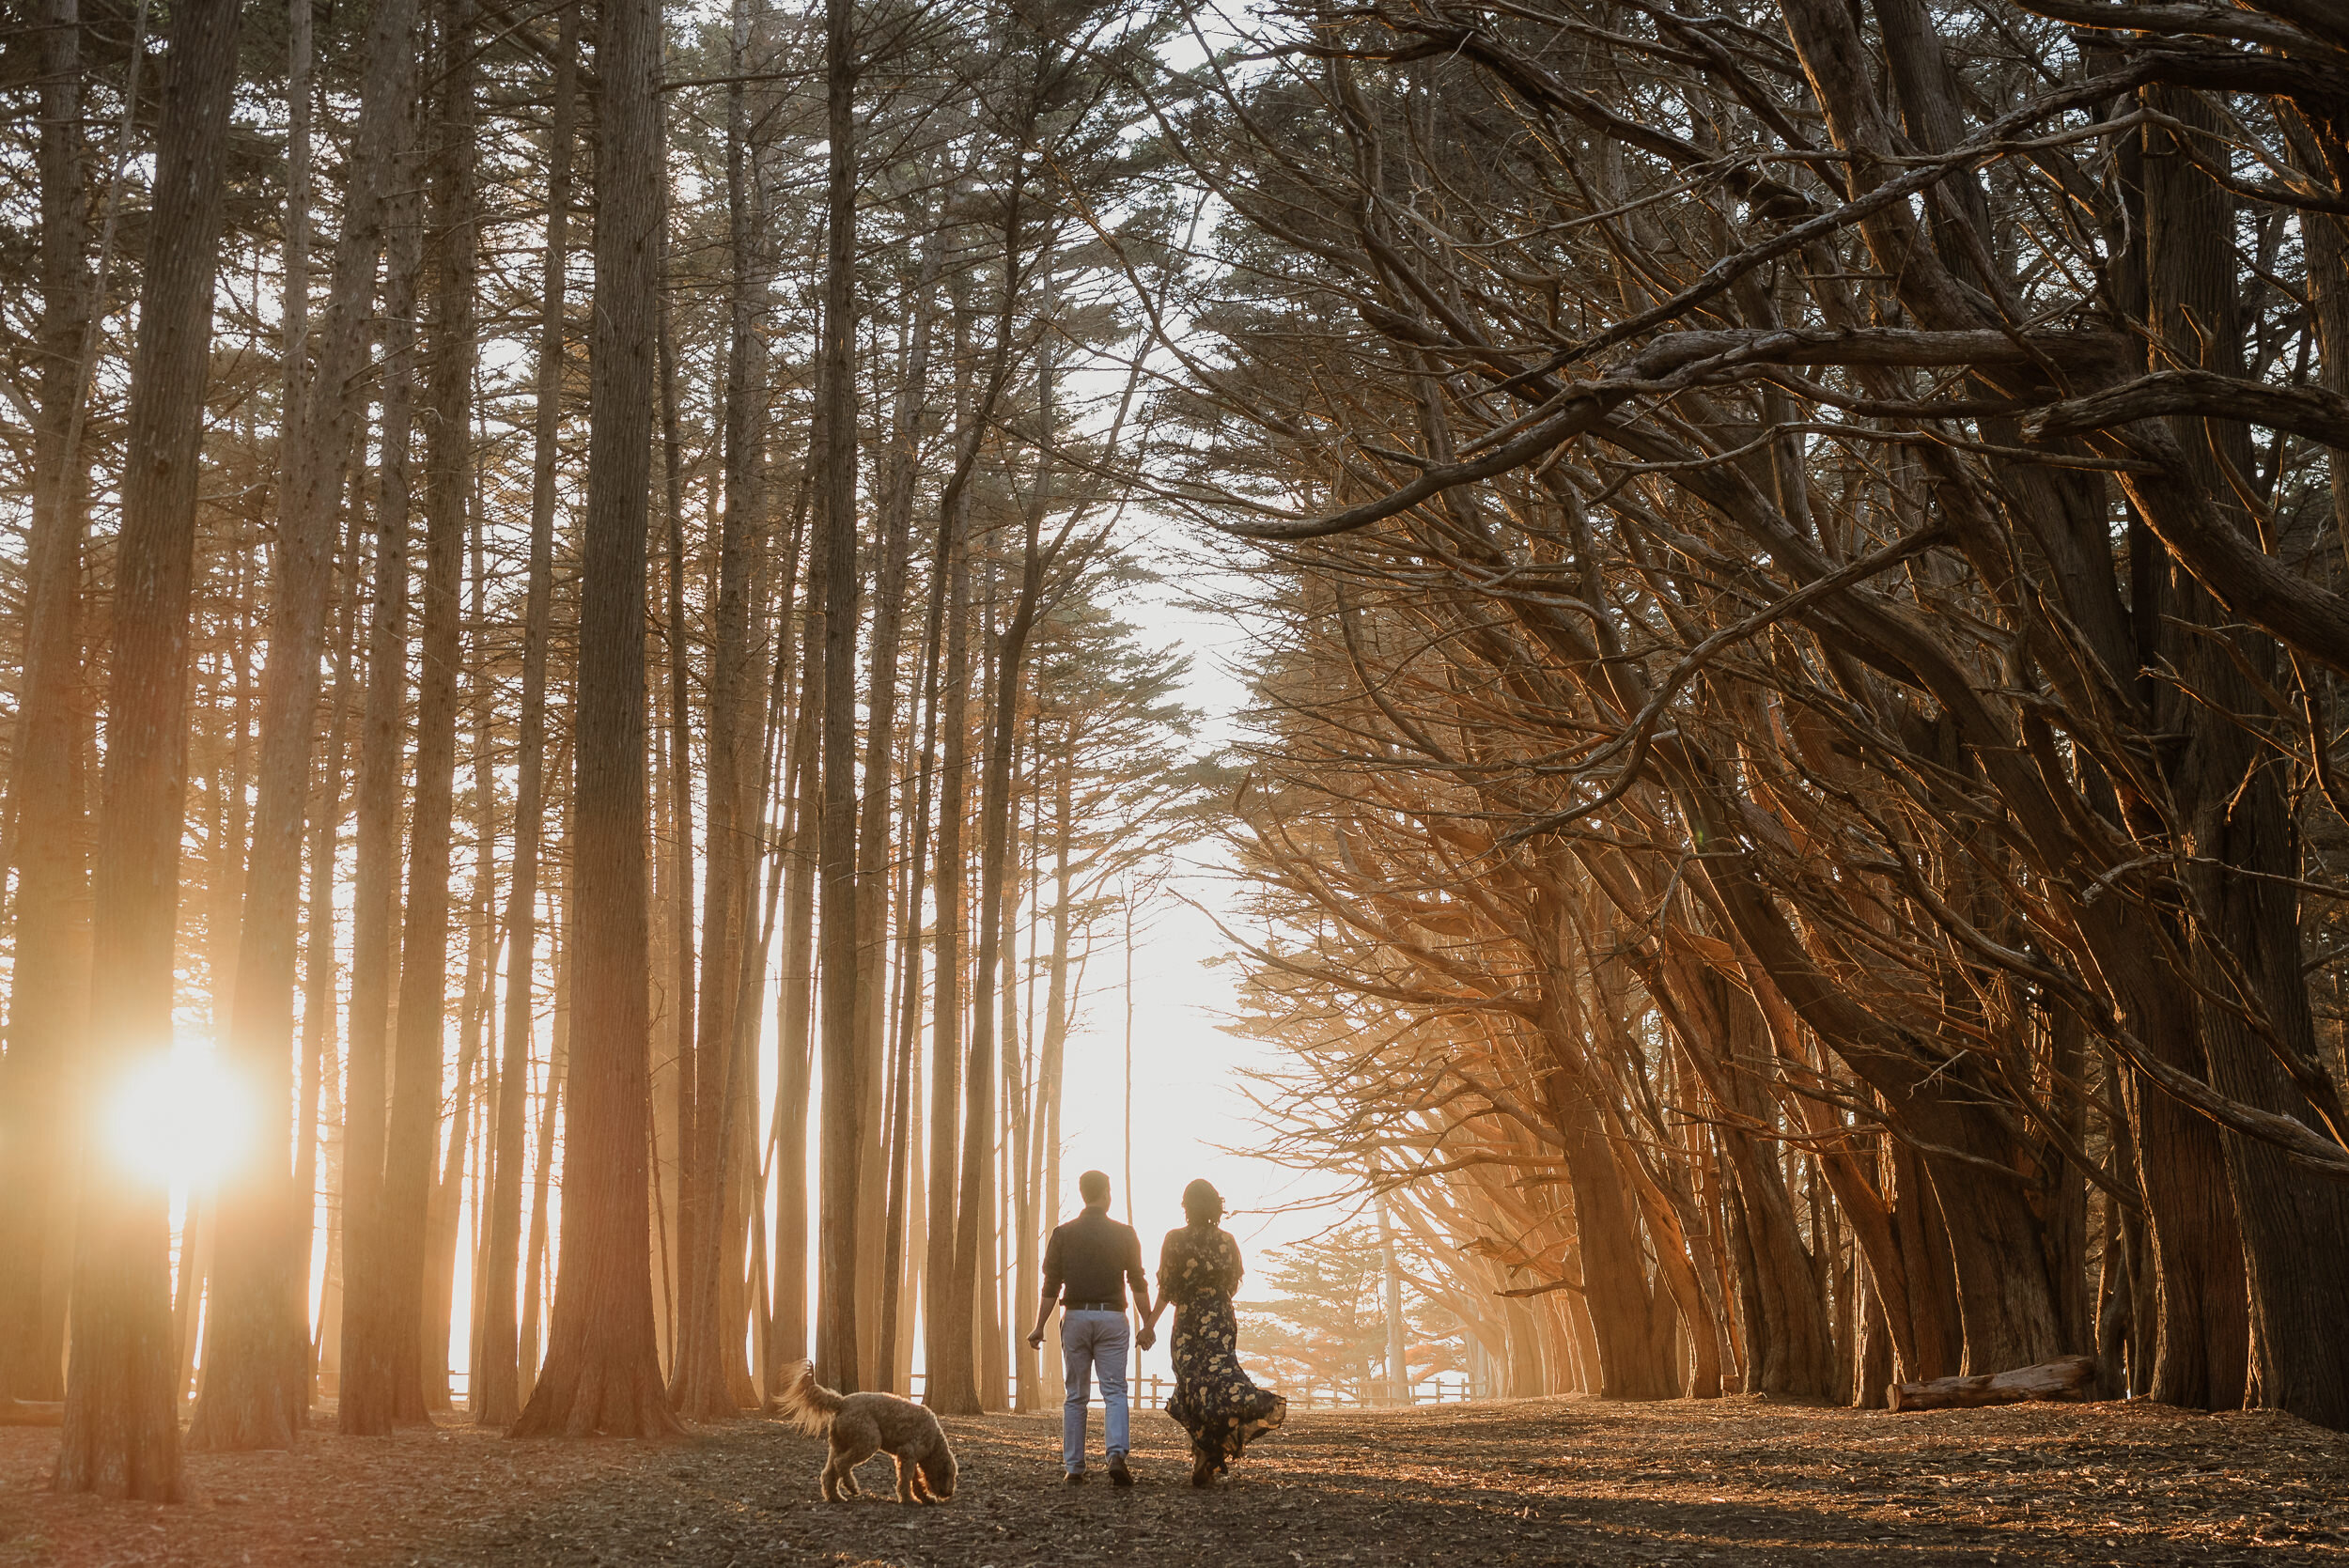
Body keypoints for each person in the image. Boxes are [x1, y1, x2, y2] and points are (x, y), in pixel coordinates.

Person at [1143, 1178, 1286, 1487]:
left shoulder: (1174, 1240)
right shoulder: (1227, 1241)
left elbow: (1166, 1289)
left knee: (1193, 1383)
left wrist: (1150, 1324)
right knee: (1221, 1379)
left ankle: (1202, 1451)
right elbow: (1233, 1285)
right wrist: (1214, 1299)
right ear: (1215, 1206)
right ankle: (1208, 1451)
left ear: (1186, 1207)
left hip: (1189, 1320)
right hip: (1221, 1317)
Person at [1026, 1169, 1156, 1486]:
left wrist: (1039, 1326)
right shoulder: (1125, 1234)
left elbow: (1051, 1286)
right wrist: (1148, 1324)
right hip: (1112, 1317)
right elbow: (1137, 1283)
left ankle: (1074, 1466)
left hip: (1076, 1317)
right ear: (1106, 1193)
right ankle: (1115, 1455)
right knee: (1114, 1390)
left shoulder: (1064, 1233)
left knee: (1076, 1395)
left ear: (1083, 1193)